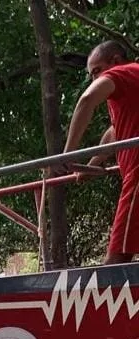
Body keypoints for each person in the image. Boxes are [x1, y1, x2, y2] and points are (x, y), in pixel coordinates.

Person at [63, 40, 139, 265]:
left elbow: (86, 100)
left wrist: (68, 155)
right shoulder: (131, 87)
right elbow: (116, 130)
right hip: (131, 172)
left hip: (137, 175)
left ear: (115, 61)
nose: (95, 79)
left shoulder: (123, 73)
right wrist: (94, 162)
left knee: (116, 259)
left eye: (97, 71)